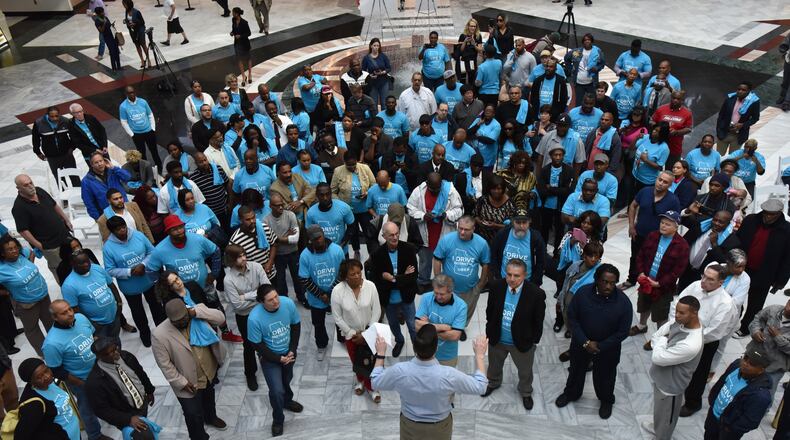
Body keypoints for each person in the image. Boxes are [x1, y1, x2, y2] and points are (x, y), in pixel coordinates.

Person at [371, 324, 488, 440]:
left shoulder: (400, 371)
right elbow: (480, 386)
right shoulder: (448, 375)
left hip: (410, 427)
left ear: (414, 347)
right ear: (436, 348)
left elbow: (375, 382)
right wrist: (479, 355)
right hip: (439, 428)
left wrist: (381, 353)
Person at [555, 264, 632, 419]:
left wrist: (601, 346)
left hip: (607, 350)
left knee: (606, 377)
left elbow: (623, 332)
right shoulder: (583, 293)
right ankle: (571, 393)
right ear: (597, 279)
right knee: (576, 371)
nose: (608, 286)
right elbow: (572, 318)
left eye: (612, 283)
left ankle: (606, 400)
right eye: (605, 282)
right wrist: (585, 342)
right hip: (581, 344)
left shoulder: (623, 303)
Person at [151, 299, 228, 439]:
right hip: (187, 382)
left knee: (209, 398)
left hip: (208, 371)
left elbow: (220, 318)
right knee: (192, 414)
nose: (181, 323)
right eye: (176, 322)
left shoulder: (198, 312)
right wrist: (181, 382)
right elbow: (164, 364)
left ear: (188, 311)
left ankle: (211, 417)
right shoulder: (159, 334)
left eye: (183, 318)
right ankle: (199, 436)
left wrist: (197, 312)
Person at [674, 264, 738, 417]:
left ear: (720, 283)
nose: (703, 280)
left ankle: (692, 403)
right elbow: (677, 303)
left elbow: (715, 331)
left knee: (699, 373)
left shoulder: (725, 303)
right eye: (703, 275)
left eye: (710, 279)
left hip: (705, 342)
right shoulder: (695, 286)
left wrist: (691, 337)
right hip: (683, 332)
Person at [481, 258, 545, 410]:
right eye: (509, 274)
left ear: (525, 275)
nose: (512, 279)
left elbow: (538, 320)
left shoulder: (536, 294)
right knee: (494, 365)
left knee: (525, 371)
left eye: (516, 275)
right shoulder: (496, 286)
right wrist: (490, 329)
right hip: (498, 338)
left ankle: (525, 392)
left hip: (522, 342)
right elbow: (490, 311)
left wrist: (534, 340)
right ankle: (493, 382)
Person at [42, 300, 109, 440]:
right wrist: (81, 384)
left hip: (100, 369)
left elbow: (94, 336)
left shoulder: (81, 318)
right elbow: (57, 371)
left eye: (69, 309)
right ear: (55, 317)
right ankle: (95, 435)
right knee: (87, 409)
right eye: (64, 313)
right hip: (81, 380)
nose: (70, 314)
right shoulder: (51, 343)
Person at [643, 296, 704, 440]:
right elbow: (657, 335)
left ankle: (662, 436)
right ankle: (657, 428)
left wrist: (663, 340)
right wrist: (661, 340)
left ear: (694, 313)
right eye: (676, 311)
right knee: (660, 410)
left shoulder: (691, 343)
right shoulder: (680, 321)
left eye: (682, 313)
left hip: (670, 386)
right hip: (661, 377)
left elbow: (658, 357)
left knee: (667, 418)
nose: (676, 315)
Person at [246, 284, 303, 437]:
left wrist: (293, 348)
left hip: (289, 353)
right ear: (261, 302)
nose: (276, 301)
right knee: (276, 390)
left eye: (276, 296)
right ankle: (278, 419)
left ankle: (287, 401)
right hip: (270, 358)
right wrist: (278, 358)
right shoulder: (254, 318)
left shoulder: (287, 303)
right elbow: (256, 344)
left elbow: (295, 325)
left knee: (287, 380)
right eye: (270, 300)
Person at [631, 210, 690, 348]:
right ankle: (642, 325)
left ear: (676, 227)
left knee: (660, 314)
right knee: (643, 305)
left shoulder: (682, 246)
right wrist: (640, 272)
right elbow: (640, 255)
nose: (663, 226)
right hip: (646, 281)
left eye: (668, 224)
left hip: (663, 288)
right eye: (662, 222)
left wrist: (659, 283)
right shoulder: (652, 236)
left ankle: (658, 338)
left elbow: (678, 271)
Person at [103, 216, 165, 347]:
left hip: (148, 279)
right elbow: (109, 270)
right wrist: (129, 272)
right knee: (138, 312)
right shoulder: (108, 247)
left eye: (123, 227)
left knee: (157, 307)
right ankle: (145, 334)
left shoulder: (138, 235)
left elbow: (152, 252)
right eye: (118, 229)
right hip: (129, 286)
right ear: (112, 231)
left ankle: (163, 332)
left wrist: (143, 264)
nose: (122, 231)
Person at [734, 199, 790, 337]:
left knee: (755, 303)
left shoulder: (787, 229)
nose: (768, 217)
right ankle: (732, 321)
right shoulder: (751, 220)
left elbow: (788, 258)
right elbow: (738, 241)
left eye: (772, 214)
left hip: (765, 273)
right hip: (742, 268)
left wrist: (781, 280)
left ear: (779, 213)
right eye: (766, 213)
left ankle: (746, 328)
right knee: (736, 298)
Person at [85, 337, 157, 439]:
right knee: (144, 436)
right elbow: (101, 410)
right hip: (126, 412)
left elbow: (141, 374)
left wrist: (149, 390)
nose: (115, 353)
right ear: (99, 356)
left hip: (142, 402)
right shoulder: (94, 382)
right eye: (108, 353)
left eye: (115, 349)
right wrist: (128, 419)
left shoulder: (127, 356)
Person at [331, 259, 382, 400]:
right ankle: (360, 381)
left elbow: (376, 310)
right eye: (352, 274)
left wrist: (366, 334)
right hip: (351, 335)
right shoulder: (337, 291)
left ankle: (372, 388)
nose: (357, 276)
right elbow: (337, 317)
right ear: (345, 276)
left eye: (359, 273)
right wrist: (352, 333)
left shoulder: (370, 286)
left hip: (370, 332)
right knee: (356, 360)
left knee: (371, 361)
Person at [223, 244, 270, 391]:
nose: (244, 258)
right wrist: (257, 295)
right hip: (245, 317)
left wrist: (246, 296)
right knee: (249, 346)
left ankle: (269, 362)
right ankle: (250, 374)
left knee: (267, 339)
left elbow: (267, 289)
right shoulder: (228, 279)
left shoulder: (256, 267)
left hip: (262, 311)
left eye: (244, 254)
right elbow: (237, 305)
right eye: (239, 257)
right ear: (231, 260)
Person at [622, 171, 680, 288]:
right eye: (660, 180)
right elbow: (633, 206)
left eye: (665, 182)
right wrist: (631, 225)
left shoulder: (673, 200)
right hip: (639, 233)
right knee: (634, 257)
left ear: (670, 185)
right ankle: (631, 279)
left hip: (657, 239)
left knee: (651, 261)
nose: (661, 183)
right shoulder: (645, 191)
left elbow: (675, 221)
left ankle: (647, 283)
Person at [407, 172, 463, 290]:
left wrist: (446, 215)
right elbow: (410, 209)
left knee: (447, 261)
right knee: (425, 261)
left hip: (444, 233)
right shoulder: (418, 191)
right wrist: (423, 216)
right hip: (425, 233)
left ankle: (446, 284)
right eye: (433, 189)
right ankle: (423, 282)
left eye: (438, 189)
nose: (436, 191)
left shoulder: (450, 191)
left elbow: (459, 210)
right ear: (427, 184)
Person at [370, 221, 419, 357]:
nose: (395, 237)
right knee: (393, 324)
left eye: (397, 234)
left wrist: (392, 279)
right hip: (389, 299)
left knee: (412, 325)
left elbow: (414, 276)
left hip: (407, 296)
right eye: (391, 235)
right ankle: (399, 341)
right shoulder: (377, 255)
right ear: (383, 236)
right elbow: (377, 281)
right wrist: (403, 276)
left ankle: (416, 344)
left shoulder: (409, 249)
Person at [12, 174, 72, 281]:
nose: (31, 186)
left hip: (64, 235)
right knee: (60, 269)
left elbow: (54, 205)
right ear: (19, 188)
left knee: (74, 260)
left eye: (31, 182)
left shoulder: (39, 191)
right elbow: (23, 231)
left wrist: (66, 220)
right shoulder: (19, 207)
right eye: (26, 185)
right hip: (49, 245)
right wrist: (40, 246)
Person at [0, 235, 53, 357]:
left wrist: (30, 263)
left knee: (51, 323)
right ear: (2, 253)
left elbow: (30, 252)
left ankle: (57, 347)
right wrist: (7, 292)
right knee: (33, 331)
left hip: (44, 296)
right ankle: (46, 355)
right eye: (10, 249)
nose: (14, 251)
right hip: (27, 304)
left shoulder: (22, 253)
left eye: (15, 247)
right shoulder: (2, 269)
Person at [298, 225, 345, 359]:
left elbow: (343, 273)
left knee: (341, 319)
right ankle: (321, 345)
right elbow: (304, 278)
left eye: (319, 237)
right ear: (309, 241)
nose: (318, 241)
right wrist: (321, 295)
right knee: (318, 323)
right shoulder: (305, 255)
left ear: (323, 235)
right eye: (314, 239)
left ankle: (343, 340)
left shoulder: (337, 250)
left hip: (336, 295)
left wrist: (330, 294)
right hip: (316, 298)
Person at [704, 349, 773, 439]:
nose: (745, 364)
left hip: (727, 430)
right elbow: (721, 383)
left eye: (752, 364)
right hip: (713, 416)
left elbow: (750, 421)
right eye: (745, 358)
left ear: (761, 370)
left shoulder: (761, 395)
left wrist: (729, 428)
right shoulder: (736, 365)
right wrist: (712, 402)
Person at [433, 215, 490, 324]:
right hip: (448, 287)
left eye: (466, 229)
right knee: (448, 311)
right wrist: (438, 281)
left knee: (466, 311)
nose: (462, 232)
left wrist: (481, 284)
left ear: (473, 229)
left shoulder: (482, 244)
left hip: (470, 289)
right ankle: (449, 326)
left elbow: (486, 264)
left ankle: (461, 327)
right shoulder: (446, 239)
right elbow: (437, 259)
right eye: (460, 228)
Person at [62, 250, 121, 337]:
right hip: (97, 325)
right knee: (104, 348)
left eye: (87, 261)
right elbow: (75, 309)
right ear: (72, 264)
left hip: (114, 316)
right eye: (81, 263)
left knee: (116, 341)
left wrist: (119, 303)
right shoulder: (69, 285)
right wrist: (91, 324)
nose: (86, 264)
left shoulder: (97, 268)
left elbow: (111, 284)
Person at [14, 357, 76, 439]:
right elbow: (21, 435)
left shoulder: (51, 382)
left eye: (46, 370)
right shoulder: (34, 405)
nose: (47, 376)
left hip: (75, 434)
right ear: (30, 381)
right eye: (39, 377)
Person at [678, 209, 739, 291]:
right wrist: (688, 210)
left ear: (728, 224)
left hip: (704, 277)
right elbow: (683, 220)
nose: (716, 223)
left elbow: (724, 261)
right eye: (715, 220)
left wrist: (714, 244)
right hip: (686, 270)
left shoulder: (732, 241)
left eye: (721, 222)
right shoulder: (702, 225)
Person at [415, 274, 468, 366]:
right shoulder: (426, 298)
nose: (438, 297)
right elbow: (416, 326)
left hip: (447, 356)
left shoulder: (461, 306)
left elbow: (455, 336)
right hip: (424, 353)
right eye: (436, 293)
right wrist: (443, 327)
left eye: (442, 294)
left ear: (451, 291)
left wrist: (427, 327)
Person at [330, 151, 376, 258]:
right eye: (348, 165)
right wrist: (341, 204)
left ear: (356, 161)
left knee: (368, 231)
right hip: (348, 210)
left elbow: (374, 185)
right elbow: (333, 191)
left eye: (353, 164)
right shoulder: (338, 171)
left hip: (365, 208)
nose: (351, 167)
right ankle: (356, 251)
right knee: (353, 232)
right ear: (344, 162)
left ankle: (372, 253)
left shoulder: (365, 168)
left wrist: (367, 193)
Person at [265, 193, 304, 305]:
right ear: (271, 206)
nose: (281, 207)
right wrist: (286, 235)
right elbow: (270, 242)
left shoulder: (290, 215)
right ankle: (284, 301)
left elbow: (295, 238)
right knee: (280, 281)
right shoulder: (266, 221)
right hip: (278, 255)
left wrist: (276, 238)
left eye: (281, 204)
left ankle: (301, 298)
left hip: (293, 252)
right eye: (277, 205)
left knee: (298, 277)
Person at [746, 298, 790, 395]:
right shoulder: (773, 309)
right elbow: (757, 319)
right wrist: (755, 331)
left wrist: (778, 337)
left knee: (764, 395)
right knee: (743, 385)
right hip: (754, 356)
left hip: (774, 368)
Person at [536, 147, 575, 250]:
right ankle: (542, 249)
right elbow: (541, 190)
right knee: (544, 228)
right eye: (555, 155)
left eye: (560, 155)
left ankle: (557, 252)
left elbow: (568, 191)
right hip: (546, 206)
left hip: (561, 206)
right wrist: (558, 190)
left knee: (560, 230)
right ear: (551, 156)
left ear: (563, 156)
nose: (558, 157)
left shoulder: (569, 170)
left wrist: (551, 189)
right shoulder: (545, 170)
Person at [229, 205, 279, 283]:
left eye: (253, 217)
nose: (252, 221)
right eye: (248, 219)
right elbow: (234, 262)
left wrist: (270, 263)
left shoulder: (264, 228)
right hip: (253, 280)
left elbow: (273, 244)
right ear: (240, 220)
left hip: (270, 274)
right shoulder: (236, 240)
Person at [31, 107, 78, 185]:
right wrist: (37, 152)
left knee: (74, 177)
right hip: (52, 157)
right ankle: (64, 196)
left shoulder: (66, 121)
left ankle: (79, 194)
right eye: (52, 116)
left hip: (67, 154)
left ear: (59, 114)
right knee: (59, 179)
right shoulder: (39, 123)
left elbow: (74, 135)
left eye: (56, 116)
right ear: (47, 115)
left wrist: (72, 148)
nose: (54, 118)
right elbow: (35, 139)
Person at [120, 86, 161, 169]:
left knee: (154, 151)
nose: (132, 94)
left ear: (135, 92)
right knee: (141, 154)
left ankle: (160, 167)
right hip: (137, 134)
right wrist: (132, 134)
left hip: (149, 131)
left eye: (133, 92)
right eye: (129, 93)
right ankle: (146, 169)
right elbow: (124, 122)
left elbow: (150, 115)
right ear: (126, 94)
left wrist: (153, 128)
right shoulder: (123, 106)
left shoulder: (143, 102)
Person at [81, 151, 130, 220]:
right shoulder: (86, 181)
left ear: (105, 161)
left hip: (124, 208)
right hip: (107, 215)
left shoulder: (113, 171)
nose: (100, 164)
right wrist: (99, 218)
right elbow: (89, 203)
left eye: (101, 161)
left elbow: (127, 177)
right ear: (91, 165)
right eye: (96, 162)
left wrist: (114, 168)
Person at [190, 152, 232, 230]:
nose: (204, 163)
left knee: (229, 229)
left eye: (205, 160)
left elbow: (227, 184)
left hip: (225, 208)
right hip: (211, 213)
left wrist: (230, 202)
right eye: (200, 162)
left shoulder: (218, 169)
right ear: (196, 163)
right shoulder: (193, 178)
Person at [715, 81, 761, 155]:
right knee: (718, 156)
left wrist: (742, 125)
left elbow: (755, 118)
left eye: (743, 90)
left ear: (749, 91)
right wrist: (719, 130)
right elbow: (721, 115)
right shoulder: (730, 98)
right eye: (739, 89)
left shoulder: (754, 102)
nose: (740, 91)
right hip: (724, 133)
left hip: (738, 136)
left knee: (732, 158)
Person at [652, 90, 693, 166]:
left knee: (671, 168)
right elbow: (652, 121)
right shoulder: (661, 109)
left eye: (678, 99)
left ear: (682, 100)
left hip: (674, 148)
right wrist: (660, 128)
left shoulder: (687, 113)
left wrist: (677, 132)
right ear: (671, 98)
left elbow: (689, 128)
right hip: (658, 144)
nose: (675, 100)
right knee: (654, 166)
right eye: (674, 98)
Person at [472, 174, 515, 241]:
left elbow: (513, 225)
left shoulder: (510, 204)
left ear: (503, 189)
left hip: (502, 239)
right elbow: (475, 215)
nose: (496, 191)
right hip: (483, 238)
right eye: (493, 189)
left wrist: (496, 226)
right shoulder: (483, 200)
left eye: (499, 189)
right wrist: (480, 222)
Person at [564, 33, 605, 101]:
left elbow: (602, 63)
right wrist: (571, 69)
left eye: (589, 39)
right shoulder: (576, 51)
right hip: (578, 83)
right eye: (585, 40)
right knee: (579, 102)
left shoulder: (597, 51)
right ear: (583, 42)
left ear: (591, 41)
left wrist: (597, 68)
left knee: (592, 102)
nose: (587, 41)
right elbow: (566, 58)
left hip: (591, 83)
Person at [362, 38, 392, 110]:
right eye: (374, 45)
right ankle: (375, 119)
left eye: (378, 46)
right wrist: (369, 76)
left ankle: (384, 119)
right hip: (372, 83)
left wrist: (383, 72)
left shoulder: (383, 56)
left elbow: (389, 68)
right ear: (371, 46)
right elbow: (363, 71)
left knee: (384, 103)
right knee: (373, 104)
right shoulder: (366, 58)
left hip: (383, 82)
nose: (376, 47)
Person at [122, 0, 149, 69]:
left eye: (124, 4)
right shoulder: (126, 11)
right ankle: (142, 60)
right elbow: (128, 19)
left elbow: (143, 22)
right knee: (137, 45)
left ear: (128, 4)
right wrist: (126, 21)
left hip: (140, 30)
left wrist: (135, 23)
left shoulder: (136, 12)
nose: (123, 6)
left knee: (143, 45)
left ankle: (148, 60)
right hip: (132, 31)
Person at [455, 19, 483, 84]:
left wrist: (474, 44)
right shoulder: (463, 36)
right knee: (463, 79)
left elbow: (480, 50)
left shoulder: (478, 36)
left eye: (474, 26)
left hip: (473, 60)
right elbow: (460, 50)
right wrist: (465, 41)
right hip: (464, 60)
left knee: (472, 79)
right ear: (468, 26)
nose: (473, 28)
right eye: (471, 26)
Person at [231, 7, 253, 86]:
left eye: (233, 12)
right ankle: (244, 76)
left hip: (244, 43)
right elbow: (234, 29)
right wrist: (232, 32)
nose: (232, 14)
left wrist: (240, 36)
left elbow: (249, 33)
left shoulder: (244, 22)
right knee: (239, 60)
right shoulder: (233, 20)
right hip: (237, 44)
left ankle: (250, 74)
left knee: (248, 59)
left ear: (237, 13)